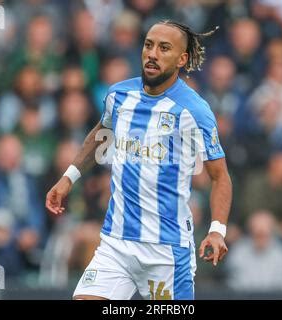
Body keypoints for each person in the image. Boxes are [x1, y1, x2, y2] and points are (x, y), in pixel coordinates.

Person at [46, 20, 233, 300]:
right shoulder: (119, 95)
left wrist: (217, 230)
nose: (153, 54)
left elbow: (220, 176)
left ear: (182, 59)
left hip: (166, 251)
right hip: (116, 243)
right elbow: (101, 133)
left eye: (164, 48)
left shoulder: (194, 111)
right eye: (148, 45)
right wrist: (68, 177)